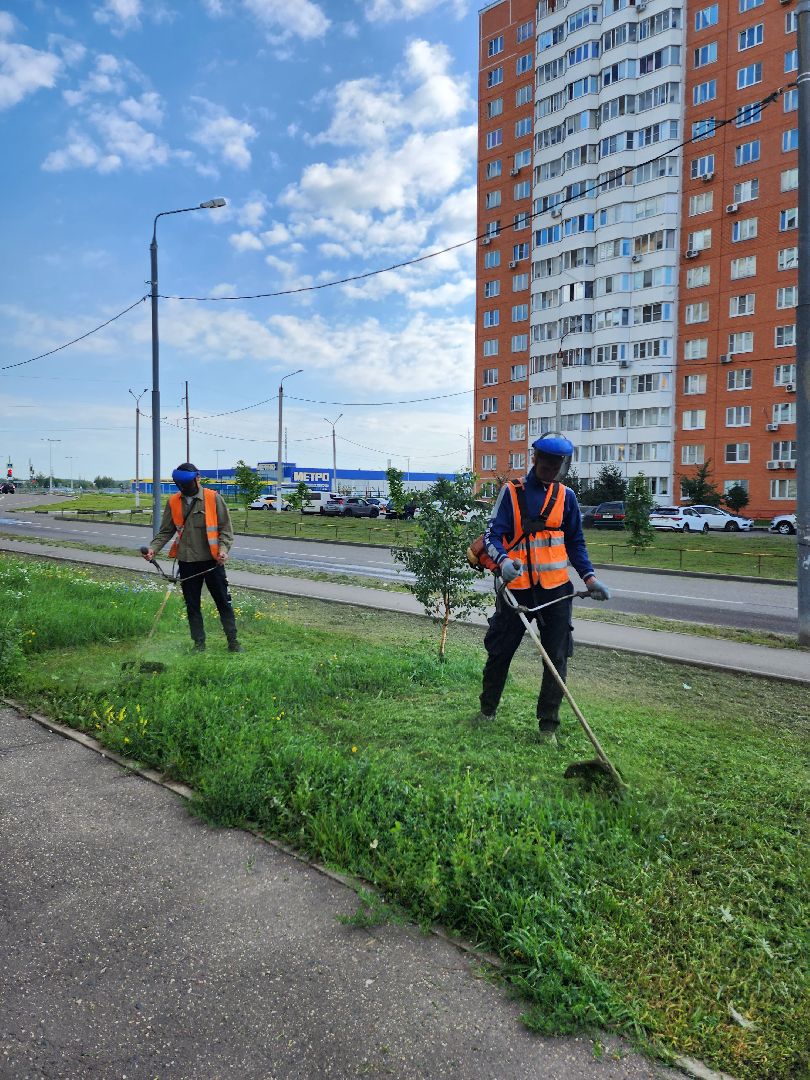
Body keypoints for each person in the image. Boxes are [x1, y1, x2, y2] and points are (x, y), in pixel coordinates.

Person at [478, 434, 609, 743]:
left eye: (558, 463)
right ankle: (487, 711)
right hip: (517, 589)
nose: (552, 467)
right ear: (535, 458)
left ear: (564, 465)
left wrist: (589, 578)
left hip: (556, 591)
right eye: (547, 460)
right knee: (500, 652)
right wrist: (504, 560)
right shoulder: (512, 493)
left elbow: (576, 542)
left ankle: (547, 725)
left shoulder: (567, 497)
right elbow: (491, 536)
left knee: (556, 658)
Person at [142, 462, 242, 653]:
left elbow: (226, 531)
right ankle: (199, 644)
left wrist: (223, 550)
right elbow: (165, 532)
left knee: (223, 602)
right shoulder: (173, 502)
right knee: (192, 606)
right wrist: (153, 549)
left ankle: (233, 642)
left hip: (212, 562)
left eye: (187, 484)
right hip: (187, 562)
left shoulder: (214, 498)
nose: (184, 489)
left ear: (198, 478)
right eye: (180, 485)